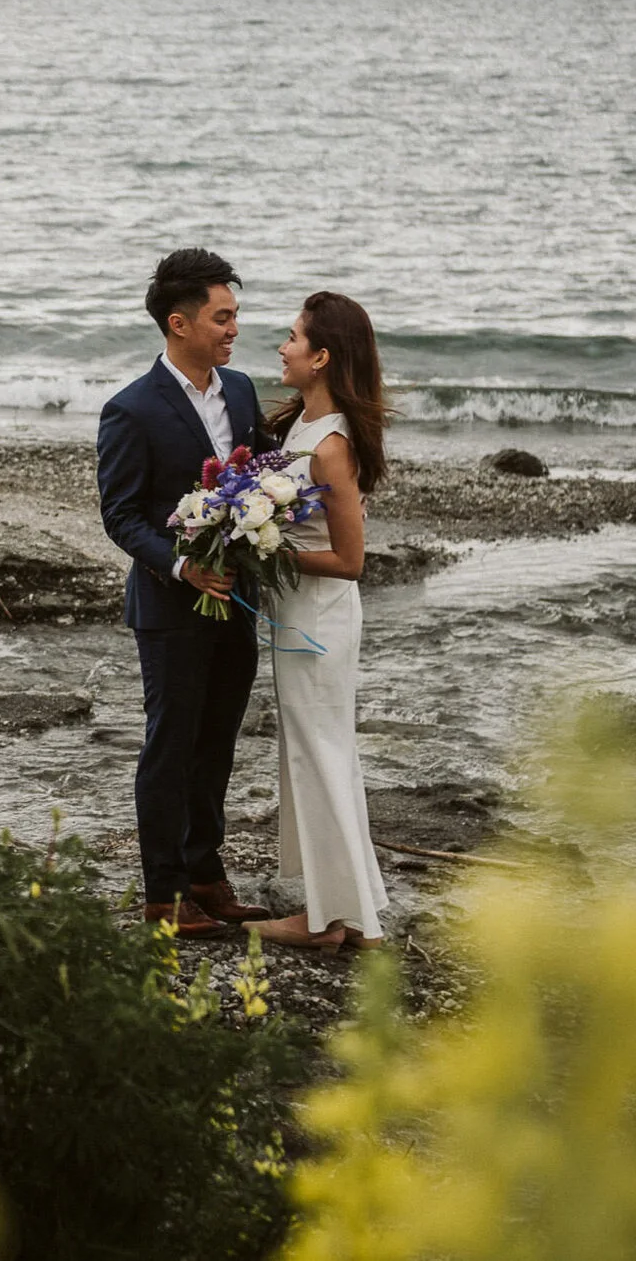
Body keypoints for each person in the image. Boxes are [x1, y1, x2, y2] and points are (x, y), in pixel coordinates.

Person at [95, 248, 276, 939]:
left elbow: (262, 472)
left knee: (217, 742)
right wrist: (182, 568)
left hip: (236, 600)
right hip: (171, 608)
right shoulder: (131, 409)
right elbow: (122, 517)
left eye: (235, 315)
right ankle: (164, 896)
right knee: (170, 748)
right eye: (222, 317)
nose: (234, 328)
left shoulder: (241, 391)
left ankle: (206, 875)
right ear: (180, 323)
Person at [244, 291, 391, 951]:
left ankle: (329, 922)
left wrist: (265, 549)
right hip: (296, 614)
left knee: (322, 755)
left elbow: (351, 561)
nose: (283, 348)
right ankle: (347, 911)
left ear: (322, 356)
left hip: (321, 621)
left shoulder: (330, 446)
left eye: (293, 337)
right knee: (313, 753)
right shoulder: (299, 427)